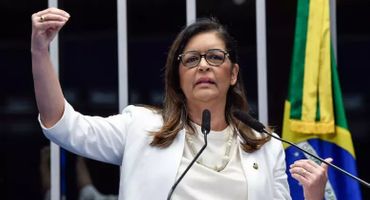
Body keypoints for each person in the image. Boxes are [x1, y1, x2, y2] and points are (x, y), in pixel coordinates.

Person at [31, 7, 332, 200]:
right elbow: (63, 124)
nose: (203, 66)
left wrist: (314, 196)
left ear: (233, 73)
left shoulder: (264, 145)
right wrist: (40, 51)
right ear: (178, 76)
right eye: (191, 59)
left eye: (215, 57)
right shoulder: (141, 127)